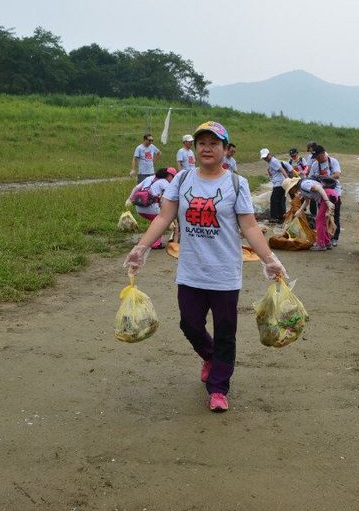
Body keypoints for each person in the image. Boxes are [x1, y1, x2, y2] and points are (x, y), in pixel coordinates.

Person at [123, 121, 287, 413]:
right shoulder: (183, 179)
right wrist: (141, 248)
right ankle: (211, 356)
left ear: (225, 149)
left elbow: (249, 226)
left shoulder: (236, 183)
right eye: (202, 143)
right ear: (194, 148)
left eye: (214, 143)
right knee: (189, 324)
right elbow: (163, 217)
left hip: (224, 273)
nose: (207, 148)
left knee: (225, 331)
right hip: (191, 271)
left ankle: (219, 387)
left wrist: (270, 259)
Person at [126, 167, 177, 249]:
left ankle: (147, 239)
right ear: (169, 175)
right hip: (151, 210)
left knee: (154, 221)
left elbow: (136, 188)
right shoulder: (164, 182)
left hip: (139, 208)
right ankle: (156, 243)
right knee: (161, 222)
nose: (174, 179)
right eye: (173, 177)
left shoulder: (149, 178)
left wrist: (130, 199)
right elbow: (171, 195)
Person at [307, 144, 342, 246]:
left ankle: (334, 238)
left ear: (323, 153)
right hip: (321, 194)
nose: (317, 159)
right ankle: (326, 238)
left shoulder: (333, 161)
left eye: (318, 156)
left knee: (335, 216)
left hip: (334, 192)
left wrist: (325, 177)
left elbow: (337, 175)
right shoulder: (315, 164)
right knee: (322, 217)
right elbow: (310, 178)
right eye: (315, 157)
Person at [289, 177, 336, 251]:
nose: (291, 193)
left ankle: (320, 244)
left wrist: (327, 201)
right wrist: (300, 210)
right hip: (328, 196)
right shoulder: (302, 189)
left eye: (290, 190)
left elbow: (319, 188)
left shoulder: (304, 184)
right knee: (322, 221)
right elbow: (307, 201)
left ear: (292, 188)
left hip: (327, 196)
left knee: (319, 221)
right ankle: (327, 242)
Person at [260, 148, 289, 223]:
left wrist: (288, 179)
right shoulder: (271, 162)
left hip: (279, 183)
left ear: (269, 154)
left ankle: (275, 217)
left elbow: (282, 169)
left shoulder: (273, 161)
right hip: (279, 183)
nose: (265, 159)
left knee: (274, 200)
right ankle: (281, 217)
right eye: (264, 158)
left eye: (266, 157)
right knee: (280, 200)